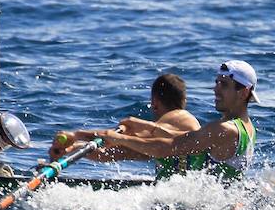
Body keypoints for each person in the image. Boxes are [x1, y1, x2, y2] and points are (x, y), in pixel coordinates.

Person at [97, 60, 258, 182]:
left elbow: (169, 147)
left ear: (243, 93)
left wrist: (119, 138)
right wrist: (148, 127)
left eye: (223, 84)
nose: (215, 89)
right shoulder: (247, 127)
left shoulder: (224, 129)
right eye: (216, 82)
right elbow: (189, 138)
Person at [47, 72, 201, 178]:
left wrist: (76, 136)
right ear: (184, 101)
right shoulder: (164, 141)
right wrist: (73, 147)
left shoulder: (179, 119)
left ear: (154, 103)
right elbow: (115, 152)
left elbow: (120, 138)